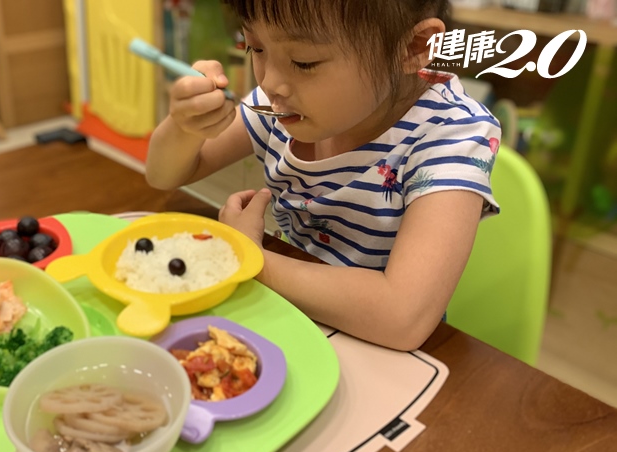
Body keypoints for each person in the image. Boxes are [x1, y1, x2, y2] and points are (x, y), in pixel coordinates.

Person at [145, 0, 501, 351]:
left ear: (413, 47)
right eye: (256, 47)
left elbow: (402, 317)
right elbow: (165, 175)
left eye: (304, 62)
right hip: (291, 316)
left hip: (384, 351)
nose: (270, 83)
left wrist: (249, 257)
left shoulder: (452, 135)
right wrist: (185, 126)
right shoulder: (282, 104)